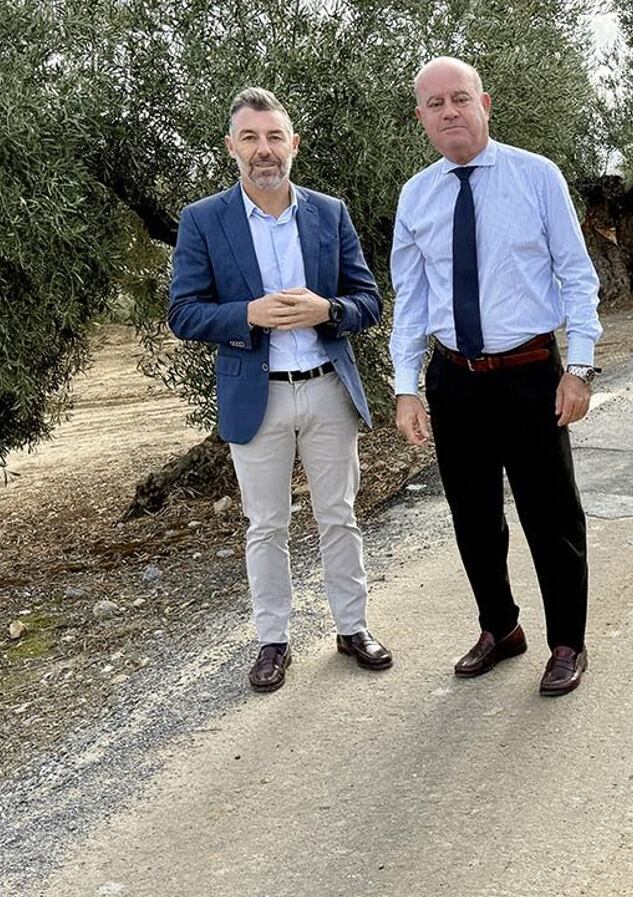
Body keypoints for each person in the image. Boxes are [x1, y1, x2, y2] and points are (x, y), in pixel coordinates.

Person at [389, 57, 602, 697]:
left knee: (551, 514)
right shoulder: (416, 196)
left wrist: (582, 367)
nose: (449, 111)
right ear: (422, 117)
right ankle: (500, 628)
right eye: (435, 104)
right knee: (474, 516)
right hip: (455, 380)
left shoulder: (537, 177)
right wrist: (406, 386)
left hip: (531, 374)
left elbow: (577, 275)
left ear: (485, 103)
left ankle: (567, 642)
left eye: (460, 98)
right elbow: (412, 300)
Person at [168, 86, 393, 693]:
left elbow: (368, 300)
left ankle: (353, 627)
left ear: (292, 144)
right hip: (255, 394)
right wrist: (248, 315)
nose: (263, 150)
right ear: (231, 148)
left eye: (273, 137)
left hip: (326, 390)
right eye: (250, 138)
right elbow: (183, 313)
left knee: (339, 515)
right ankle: (273, 641)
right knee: (265, 524)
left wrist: (330, 310)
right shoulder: (203, 220)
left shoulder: (330, 212)